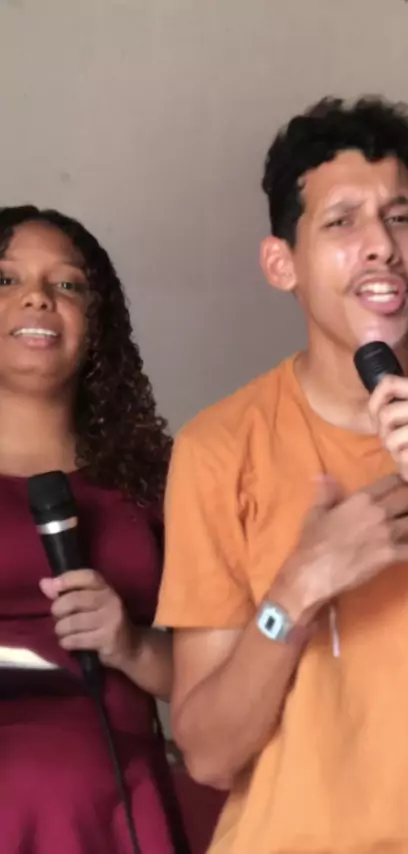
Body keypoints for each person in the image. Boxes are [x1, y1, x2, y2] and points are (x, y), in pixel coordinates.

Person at [156, 97, 408, 853]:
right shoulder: (218, 448)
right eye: (342, 222)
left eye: (400, 218)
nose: (382, 246)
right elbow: (208, 755)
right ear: (283, 264)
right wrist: (297, 590)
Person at [0, 205, 184, 853]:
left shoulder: (156, 481)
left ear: (97, 323)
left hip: (119, 808)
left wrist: (129, 645)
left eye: (68, 284)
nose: (37, 297)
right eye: (6, 279)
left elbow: (216, 682)